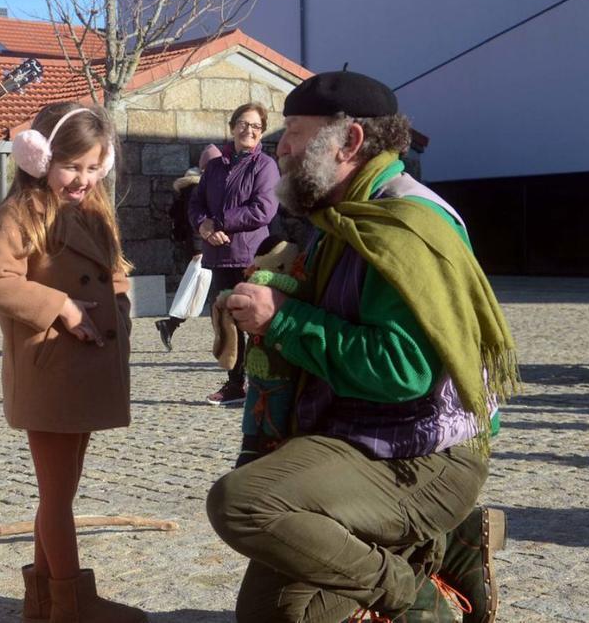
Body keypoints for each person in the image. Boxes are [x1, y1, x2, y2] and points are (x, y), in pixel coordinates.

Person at [205, 70, 517, 623]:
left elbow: (403, 371)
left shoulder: (406, 225)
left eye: (296, 132)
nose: (283, 147)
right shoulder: (347, 214)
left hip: (426, 458)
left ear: (348, 142)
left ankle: (418, 593)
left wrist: (281, 318)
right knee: (271, 613)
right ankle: (450, 546)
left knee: (243, 503)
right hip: (359, 436)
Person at [0, 102, 145, 622]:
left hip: (86, 368)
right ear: (39, 156)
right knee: (56, 495)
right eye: (72, 166)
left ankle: (44, 601)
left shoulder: (94, 209)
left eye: (95, 168)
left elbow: (114, 269)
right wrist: (62, 307)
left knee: (61, 492)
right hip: (50, 370)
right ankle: (71, 605)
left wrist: (120, 312)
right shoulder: (19, 214)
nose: (84, 179)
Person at [188, 103, 279, 407]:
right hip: (217, 253)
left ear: (262, 131)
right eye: (242, 123)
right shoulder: (215, 166)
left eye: (255, 126)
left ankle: (264, 382)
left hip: (249, 255)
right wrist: (204, 227)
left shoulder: (264, 165)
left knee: (253, 320)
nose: (248, 130)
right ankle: (235, 384)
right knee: (226, 322)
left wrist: (221, 221)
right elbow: (196, 204)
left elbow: (263, 209)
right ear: (232, 127)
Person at [155, 143, 222, 351]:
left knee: (201, 289)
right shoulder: (197, 188)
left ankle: (172, 324)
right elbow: (194, 221)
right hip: (202, 246)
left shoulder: (196, 186)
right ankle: (172, 323)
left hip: (203, 245)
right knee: (198, 287)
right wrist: (197, 248)